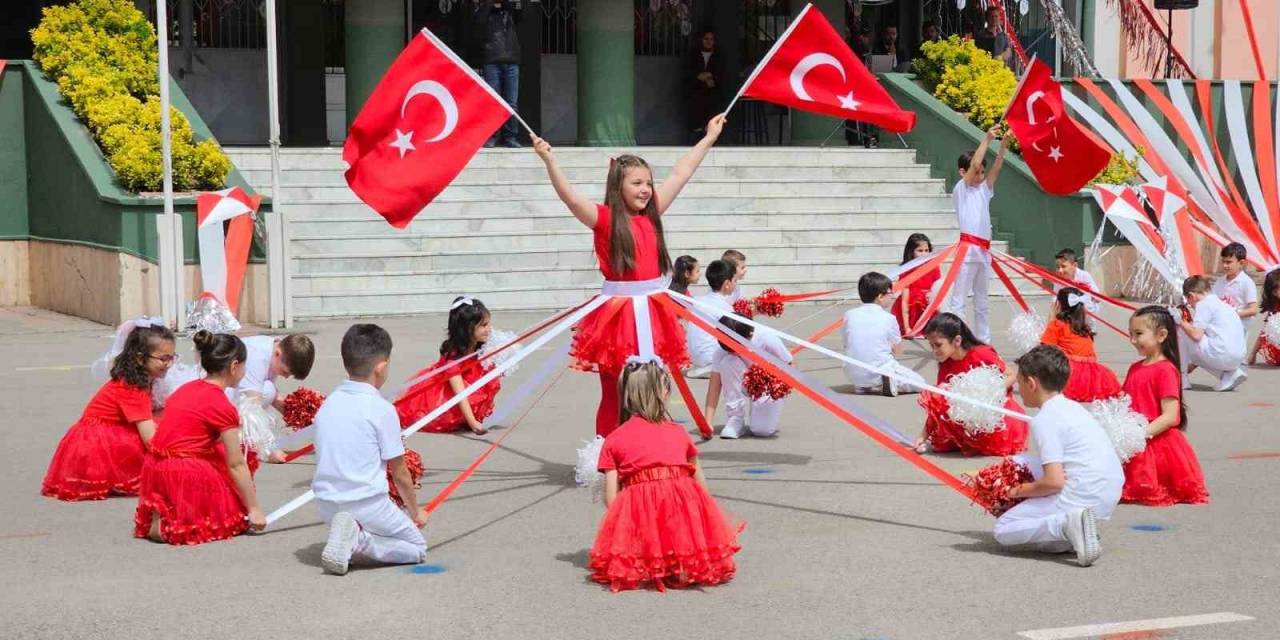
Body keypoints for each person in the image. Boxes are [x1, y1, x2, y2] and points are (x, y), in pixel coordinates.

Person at [532, 113, 728, 437]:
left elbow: (682, 172)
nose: (646, 189)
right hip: (617, 315)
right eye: (637, 183)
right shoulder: (605, 219)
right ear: (617, 186)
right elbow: (570, 197)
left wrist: (708, 138)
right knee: (614, 390)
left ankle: (650, 446)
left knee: (654, 384)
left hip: (652, 310)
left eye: (648, 182)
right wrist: (549, 160)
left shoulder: (652, 216)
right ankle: (607, 454)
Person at [589, 360, 741, 591]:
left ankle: (650, 556)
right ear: (663, 393)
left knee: (643, 513)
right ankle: (680, 557)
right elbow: (701, 486)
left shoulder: (614, 439)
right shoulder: (678, 432)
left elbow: (612, 499)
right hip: (682, 509)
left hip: (641, 510)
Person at [315, 324, 428, 576]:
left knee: (379, 527)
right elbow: (399, 472)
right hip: (366, 504)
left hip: (327, 505)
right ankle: (359, 540)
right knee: (417, 546)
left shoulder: (328, 405)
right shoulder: (381, 409)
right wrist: (415, 511)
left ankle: (351, 539)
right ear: (382, 367)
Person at [134, 331, 265, 545]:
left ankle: (165, 510)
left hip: (156, 465)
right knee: (231, 519)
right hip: (186, 469)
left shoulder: (185, 389)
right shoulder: (221, 405)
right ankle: (172, 520)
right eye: (244, 365)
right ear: (234, 367)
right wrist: (254, 508)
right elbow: (236, 464)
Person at [994, 346, 1121, 567]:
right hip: (1107, 493)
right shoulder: (1073, 407)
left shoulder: (1045, 419)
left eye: (1020, 382)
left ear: (1031, 384)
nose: (1017, 387)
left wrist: (1014, 492)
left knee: (1003, 530)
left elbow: (1054, 481)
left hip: (1082, 494)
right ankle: (1072, 529)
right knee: (1019, 463)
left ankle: (1066, 524)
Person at [43, 324, 175, 501]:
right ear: (140, 359)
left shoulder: (142, 379)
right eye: (163, 358)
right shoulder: (133, 388)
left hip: (101, 434)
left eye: (172, 358)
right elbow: (150, 439)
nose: (169, 364)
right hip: (96, 446)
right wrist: (179, 455)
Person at [1120, 306, 1209, 506]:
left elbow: (1171, 416)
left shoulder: (1166, 370)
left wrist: (1139, 434)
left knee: (1151, 484)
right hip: (1134, 437)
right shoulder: (1134, 368)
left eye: (1139, 334)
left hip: (1156, 440)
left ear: (1161, 335)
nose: (1133, 340)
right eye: (1131, 334)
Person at [916, 312, 1028, 456]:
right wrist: (922, 437)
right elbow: (937, 404)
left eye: (938, 345)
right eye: (931, 345)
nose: (934, 351)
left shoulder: (982, 354)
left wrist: (988, 393)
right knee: (941, 397)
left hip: (993, 412)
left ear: (957, 341)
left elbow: (1012, 375)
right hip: (965, 418)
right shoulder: (946, 364)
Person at [394, 296, 501, 435]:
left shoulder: (479, 347)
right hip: (445, 393)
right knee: (436, 415)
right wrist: (473, 423)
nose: (489, 329)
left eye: (488, 324)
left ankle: (466, 416)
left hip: (467, 384)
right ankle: (464, 417)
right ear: (467, 329)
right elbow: (460, 394)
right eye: (484, 325)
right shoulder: (453, 359)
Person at [946, 126, 1007, 343]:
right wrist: (987, 139)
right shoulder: (960, 189)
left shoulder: (984, 190)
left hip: (983, 251)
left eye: (982, 172)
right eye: (976, 171)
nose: (980, 175)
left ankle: (984, 341)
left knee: (982, 301)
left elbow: (997, 168)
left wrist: (1003, 144)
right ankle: (955, 340)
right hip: (967, 251)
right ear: (963, 172)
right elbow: (974, 163)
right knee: (959, 300)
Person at [230, 333, 314, 466]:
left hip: (229, 390)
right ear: (277, 353)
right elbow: (252, 410)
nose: (286, 377)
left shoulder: (275, 348)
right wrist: (267, 451)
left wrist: (304, 420)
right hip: (216, 396)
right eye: (286, 372)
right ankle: (239, 440)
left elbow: (273, 398)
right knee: (267, 391)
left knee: (269, 390)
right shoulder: (257, 358)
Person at [704, 315, 793, 439]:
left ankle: (759, 411)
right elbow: (714, 387)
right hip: (743, 381)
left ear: (750, 335)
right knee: (728, 361)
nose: (734, 352)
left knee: (761, 431)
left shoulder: (767, 338)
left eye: (736, 348)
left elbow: (789, 366)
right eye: (729, 349)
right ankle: (735, 418)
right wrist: (707, 423)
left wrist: (776, 386)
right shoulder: (722, 351)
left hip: (767, 387)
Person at [843, 271, 927, 396]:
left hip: (853, 373)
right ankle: (889, 381)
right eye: (890, 292)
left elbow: (846, 342)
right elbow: (898, 349)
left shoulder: (849, 315)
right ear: (880, 297)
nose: (892, 296)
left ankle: (863, 385)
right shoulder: (889, 318)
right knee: (921, 383)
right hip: (880, 370)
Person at [1040, 287, 1122, 403]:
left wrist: (1051, 320)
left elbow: (1045, 348)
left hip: (1071, 374)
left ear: (1057, 305)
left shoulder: (1057, 325)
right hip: (1093, 375)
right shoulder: (1084, 328)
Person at [1178, 275, 1247, 391]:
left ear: (1191, 296)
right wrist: (1194, 362)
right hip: (1238, 356)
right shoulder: (1223, 305)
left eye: (1188, 301)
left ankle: (1182, 376)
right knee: (1203, 343)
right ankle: (1230, 374)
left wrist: (1180, 321)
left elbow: (1196, 335)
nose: (1190, 305)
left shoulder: (1203, 304)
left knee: (1182, 329)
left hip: (1221, 353)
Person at [474, 0, 523, 148]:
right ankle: (491, 136)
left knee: (511, 103)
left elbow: (521, 15)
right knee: (492, 101)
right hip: (492, 60)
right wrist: (489, 4)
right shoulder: (484, 10)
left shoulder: (510, 10)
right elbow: (479, 22)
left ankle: (510, 137)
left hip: (512, 60)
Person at [686, 259, 737, 377]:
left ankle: (706, 366)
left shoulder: (698, 301)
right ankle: (712, 367)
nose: (735, 284)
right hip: (709, 356)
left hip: (694, 357)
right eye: (734, 281)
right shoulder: (725, 307)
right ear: (727, 284)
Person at [890, 233, 941, 337]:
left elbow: (938, 290)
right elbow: (904, 301)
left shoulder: (934, 267)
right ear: (911, 252)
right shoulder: (907, 269)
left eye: (927, 250)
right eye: (920, 250)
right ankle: (913, 327)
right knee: (914, 300)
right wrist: (907, 328)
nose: (924, 254)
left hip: (928, 304)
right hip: (911, 305)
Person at [1211, 243, 1259, 343]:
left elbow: (1253, 310)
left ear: (1241, 263)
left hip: (1238, 331)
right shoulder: (1220, 281)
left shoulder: (1246, 283)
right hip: (1220, 329)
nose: (1224, 265)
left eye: (1228, 262)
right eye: (1223, 261)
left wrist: (1233, 314)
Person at [688, 29, 723, 142]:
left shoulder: (718, 56)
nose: (708, 42)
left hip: (713, 95)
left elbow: (723, 73)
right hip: (695, 94)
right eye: (706, 39)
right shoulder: (693, 55)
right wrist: (698, 77)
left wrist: (711, 77)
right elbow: (686, 72)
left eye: (711, 39)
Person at [1053, 248, 1101, 315]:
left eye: (1063, 266)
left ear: (1075, 265)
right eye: (1057, 267)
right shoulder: (1058, 280)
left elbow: (1098, 298)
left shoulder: (1084, 276)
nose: (1060, 270)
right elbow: (1055, 300)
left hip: (1087, 314)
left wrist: (1085, 296)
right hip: (1068, 314)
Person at [1247, 268, 1280, 366]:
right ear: (1274, 292)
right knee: (1270, 329)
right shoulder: (1275, 310)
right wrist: (1253, 353)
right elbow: (1264, 332)